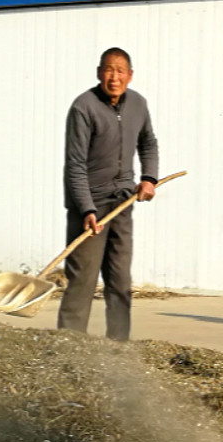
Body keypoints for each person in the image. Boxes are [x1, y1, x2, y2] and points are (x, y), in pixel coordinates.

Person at [58, 47, 159, 341]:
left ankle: (119, 350)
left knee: (120, 281)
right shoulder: (83, 107)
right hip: (89, 205)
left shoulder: (138, 104)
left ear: (129, 75)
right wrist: (87, 209)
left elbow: (148, 143)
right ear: (99, 72)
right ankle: (69, 348)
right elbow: (74, 165)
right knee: (82, 282)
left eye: (120, 71)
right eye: (108, 70)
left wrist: (149, 178)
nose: (114, 77)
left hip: (124, 201)